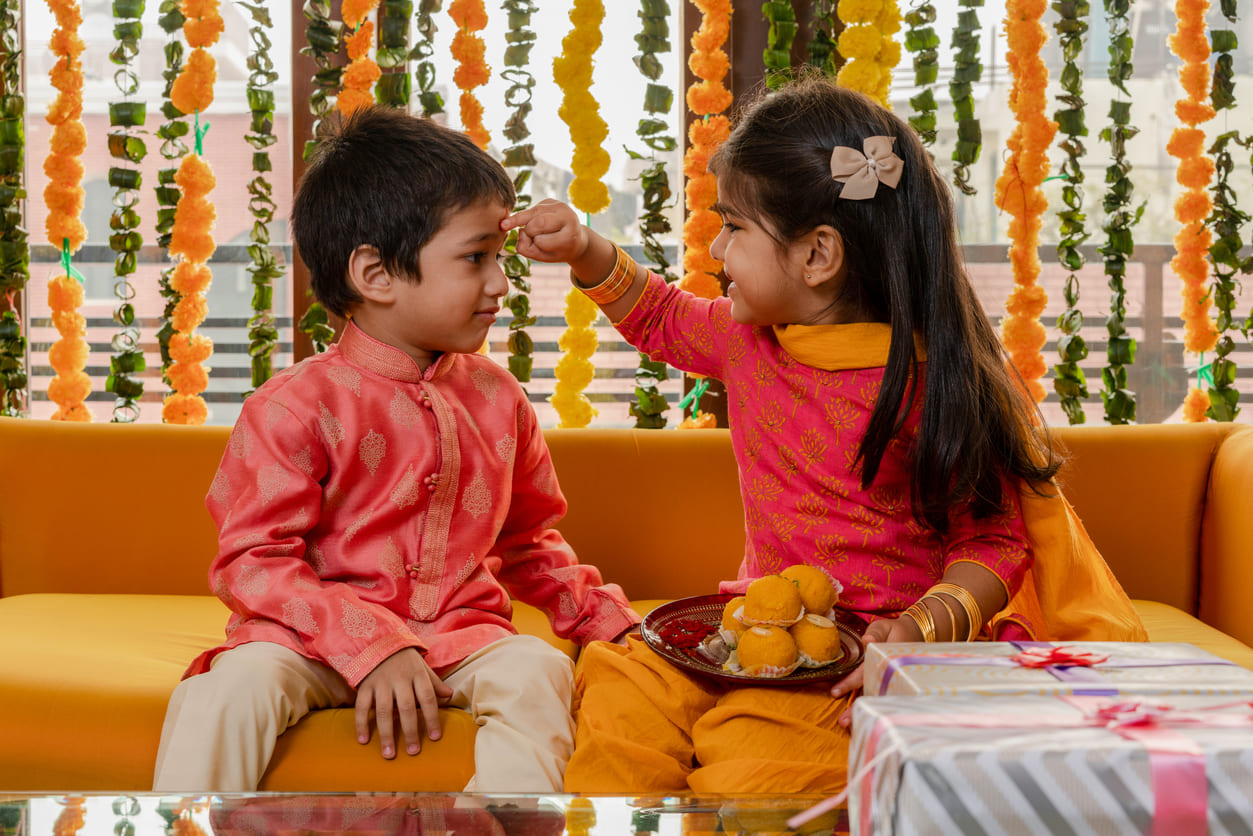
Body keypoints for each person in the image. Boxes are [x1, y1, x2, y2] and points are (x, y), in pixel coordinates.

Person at [503, 76, 1145, 794]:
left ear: (817, 255)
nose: (715, 247)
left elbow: (991, 541)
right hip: (746, 631)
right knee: (620, 680)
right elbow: (655, 315)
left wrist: (917, 630)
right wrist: (584, 246)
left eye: (734, 227)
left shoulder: (930, 384)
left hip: (856, 664)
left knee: (751, 781)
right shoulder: (745, 339)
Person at [152, 105, 640, 793]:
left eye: (498, 259)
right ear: (375, 274)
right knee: (228, 691)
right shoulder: (293, 407)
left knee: (539, 672)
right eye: (476, 258)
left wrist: (613, 626)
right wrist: (370, 645)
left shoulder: (499, 400)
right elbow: (254, 565)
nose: (500, 283)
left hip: (457, 642)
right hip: (309, 645)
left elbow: (529, 543)